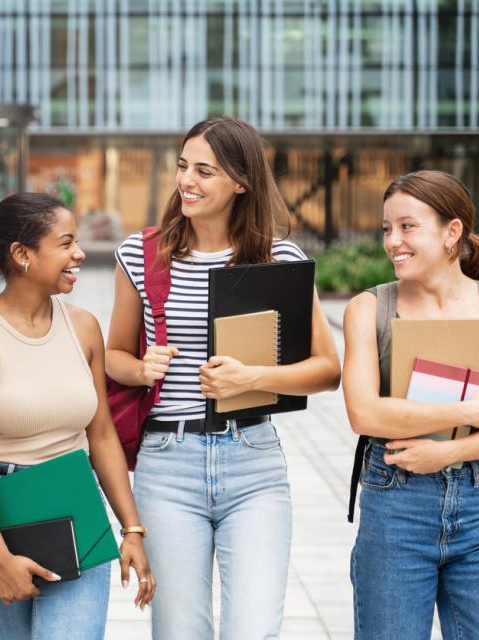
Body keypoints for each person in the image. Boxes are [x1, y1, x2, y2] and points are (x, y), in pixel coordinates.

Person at [105, 116, 341, 639]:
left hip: (253, 462)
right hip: (168, 466)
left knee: (253, 630)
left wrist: (251, 377)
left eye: (205, 171)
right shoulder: (142, 256)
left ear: (241, 181)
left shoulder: (279, 258)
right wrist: (141, 368)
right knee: (179, 632)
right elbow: (113, 356)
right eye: (184, 166)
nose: (187, 180)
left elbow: (328, 370)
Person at [0, 192, 155, 640]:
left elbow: (101, 436)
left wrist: (131, 528)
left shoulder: (84, 327)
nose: (78, 253)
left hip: (75, 509)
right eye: (65, 243)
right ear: (22, 255)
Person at [342, 170, 479, 639]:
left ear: (452, 232)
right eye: (387, 229)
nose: (393, 241)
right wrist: (464, 414)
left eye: (407, 227)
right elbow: (364, 414)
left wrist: (449, 451)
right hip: (395, 508)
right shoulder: (368, 310)